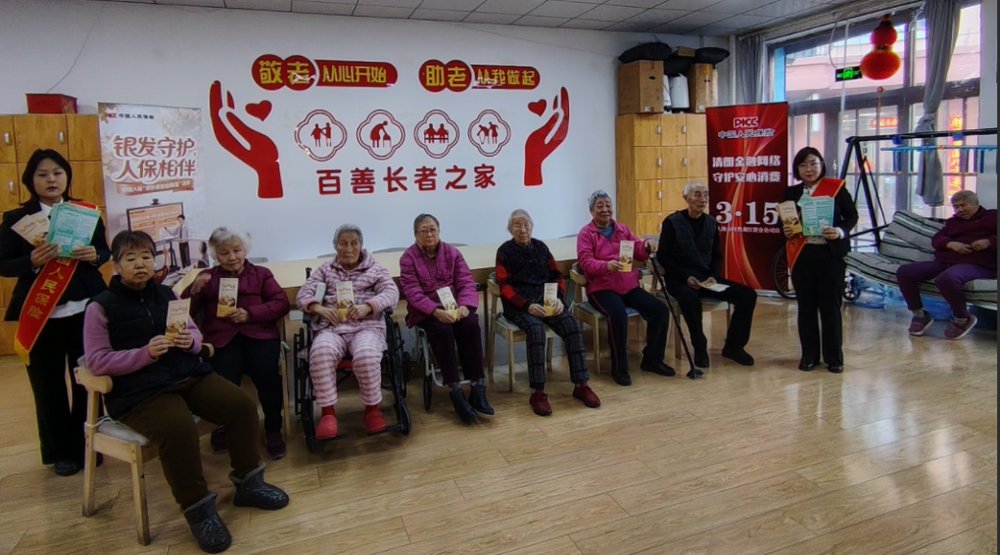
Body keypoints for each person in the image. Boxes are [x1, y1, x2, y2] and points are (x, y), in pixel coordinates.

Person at [83, 230, 288, 553]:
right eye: (131, 258)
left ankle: (249, 482)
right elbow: (96, 361)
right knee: (178, 428)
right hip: (140, 391)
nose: (141, 264)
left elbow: (194, 335)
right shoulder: (100, 307)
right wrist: (144, 354)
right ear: (116, 265)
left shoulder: (167, 294)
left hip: (187, 374)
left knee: (242, 406)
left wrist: (189, 342)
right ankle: (199, 510)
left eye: (146, 257)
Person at [0, 149, 111, 477]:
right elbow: (3, 264)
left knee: (88, 381)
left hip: (84, 310)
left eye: (58, 173)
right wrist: (31, 261)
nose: (51, 179)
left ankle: (89, 444)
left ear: (67, 177)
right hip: (41, 314)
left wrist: (94, 255)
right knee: (47, 386)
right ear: (30, 180)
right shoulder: (15, 219)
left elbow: (104, 251)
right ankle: (60, 451)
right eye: (43, 174)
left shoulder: (86, 212)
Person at [183, 228, 290, 459]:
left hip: (258, 335)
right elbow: (182, 313)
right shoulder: (207, 277)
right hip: (222, 339)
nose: (232, 257)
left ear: (245, 250)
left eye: (237, 250)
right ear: (215, 255)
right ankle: (223, 425)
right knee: (221, 380)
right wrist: (194, 290)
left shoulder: (261, 274)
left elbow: (281, 302)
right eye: (224, 253)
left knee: (268, 376)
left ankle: (273, 428)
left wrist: (250, 314)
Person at [296, 224, 399, 439]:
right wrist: (319, 308)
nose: (349, 248)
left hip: (367, 326)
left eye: (354, 243)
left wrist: (368, 306)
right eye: (343, 243)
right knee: (320, 352)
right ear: (335, 246)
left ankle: (372, 410)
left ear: (361, 245)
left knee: (367, 355)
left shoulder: (376, 269)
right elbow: (303, 295)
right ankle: (328, 414)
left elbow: (391, 293)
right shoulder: (325, 270)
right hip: (332, 328)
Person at [495, 209, 601, 416]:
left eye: (526, 224)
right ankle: (538, 392)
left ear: (532, 227)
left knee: (571, 326)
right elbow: (504, 286)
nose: (523, 229)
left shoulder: (541, 247)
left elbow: (556, 275)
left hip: (547, 301)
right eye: (517, 225)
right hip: (520, 305)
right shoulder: (504, 252)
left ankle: (581, 384)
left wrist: (559, 299)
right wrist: (527, 305)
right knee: (536, 331)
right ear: (510, 229)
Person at [399, 213, 493, 424]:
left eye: (433, 229)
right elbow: (412, 292)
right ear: (415, 235)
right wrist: (435, 311)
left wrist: (465, 306)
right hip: (427, 311)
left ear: (439, 231)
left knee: (471, 324)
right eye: (424, 231)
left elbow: (466, 282)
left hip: (455, 306)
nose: (429, 234)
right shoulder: (408, 258)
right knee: (441, 330)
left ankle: (478, 386)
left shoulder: (452, 253)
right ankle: (455, 389)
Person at [577, 190, 673, 386]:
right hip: (601, 287)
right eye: (599, 206)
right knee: (618, 315)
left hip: (627, 284)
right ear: (591, 211)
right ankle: (619, 368)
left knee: (660, 310)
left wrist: (646, 245)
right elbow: (586, 263)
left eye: (608, 205)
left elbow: (638, 250)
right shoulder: (586, 234)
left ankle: (653, 359)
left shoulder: (622, 229)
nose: (605, 209)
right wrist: (606, 266)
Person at [656, 182, 757, 368]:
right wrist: (685, 277)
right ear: (686, 198)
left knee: (748, 295)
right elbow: (663, 256)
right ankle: (700, 347)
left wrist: (714, 276)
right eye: (697, 195)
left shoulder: (711, 222)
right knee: (690, 299)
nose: (702, 199)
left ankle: (734, 347)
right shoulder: (672, 222)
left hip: (707, 278)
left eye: (705, 195)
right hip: (680, 279)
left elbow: (717, 255)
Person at [783, 147, 858, 374]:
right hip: (803, 256)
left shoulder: (836, 188)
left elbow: (851, 216)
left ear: (821, 165)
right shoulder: (791, 192)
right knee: (806, 307)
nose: (809, 169)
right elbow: (784, 220)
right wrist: (786, 229)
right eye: (803, 165)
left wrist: (840, 231)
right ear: (797, 169)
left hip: (830, 255)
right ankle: (809, 356)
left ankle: (834, 358)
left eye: (813, 164)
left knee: (831, 308)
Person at [897, 190, 996, 339]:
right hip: (946, 261)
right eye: (956, 207)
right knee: (905, 272)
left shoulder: (992, 217)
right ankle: (919, 315)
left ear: (975, 203)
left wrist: (989, 242)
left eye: (963, 205)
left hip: (979, 264)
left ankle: (962, 318)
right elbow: (937, 239)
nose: (959, 210)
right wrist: (951, 244)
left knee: (946, 279)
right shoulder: (953, 222)